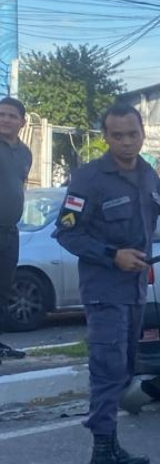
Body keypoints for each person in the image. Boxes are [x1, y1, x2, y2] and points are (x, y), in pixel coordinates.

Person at [53, 102, 159, 464]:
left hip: (136, 290)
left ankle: (112, 446)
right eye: (118, 136)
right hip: (104, 291)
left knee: (126, 367)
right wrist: (113, 256)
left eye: (133, 134)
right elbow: (66, 234)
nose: (127, 142)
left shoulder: (149, 175)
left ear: (143, 133)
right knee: (107, 368)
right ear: (106, 138)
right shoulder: (88, 178)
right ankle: (101, 451)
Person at [0, 97, 32, 361]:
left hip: (10, 231)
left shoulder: (25, 153)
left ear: (23, 121)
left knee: (4, 288)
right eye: (1, 114)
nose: (5, 119)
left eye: (12, 116)